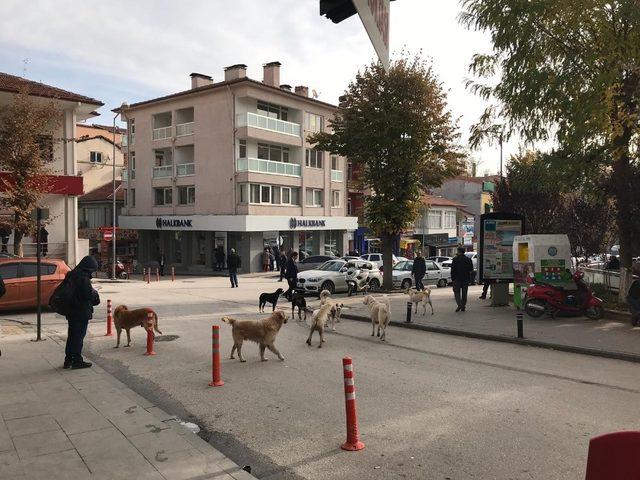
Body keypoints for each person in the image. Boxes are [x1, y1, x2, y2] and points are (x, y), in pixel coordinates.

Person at [64, 256, 100, 369]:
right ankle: (77, 361)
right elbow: (87, 295)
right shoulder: (83, 277)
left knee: (72, 335)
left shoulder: (71, 274)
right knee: (79, 336)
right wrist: (95, 293)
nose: (92, 272)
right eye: (92, 270)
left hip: (71, 310)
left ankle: (68, 359)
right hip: (80, 311)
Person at [451, 247, 474, 312]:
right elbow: (471, 270)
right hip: (466, 278)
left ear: (458, 251)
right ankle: (463, 305)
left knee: (456, 292)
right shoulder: (468, 259)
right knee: (464, 293)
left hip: (457, 278)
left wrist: (453, 279)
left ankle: (460, 305)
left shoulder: (455, 259)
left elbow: (452, 270)